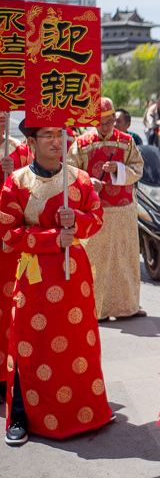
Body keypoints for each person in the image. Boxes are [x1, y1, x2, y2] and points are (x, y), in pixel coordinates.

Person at [3, 121, 111, 446]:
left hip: (73, 277)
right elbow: (8, 232)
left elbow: (97, 216)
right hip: (35, 276)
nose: (55, 141)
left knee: (79, 344)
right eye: (46, 135)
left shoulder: (78, 179)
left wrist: (76, 222)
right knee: (28, 343)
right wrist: (53, 237)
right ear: (31, 141)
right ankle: (21, 416)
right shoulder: (16, 181)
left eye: (60, 134)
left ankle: (88, 410)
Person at [68, 97, 146, 321]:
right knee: (95, 260)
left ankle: (127, 307)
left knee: (125, 258)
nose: (107, 125)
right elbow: (71, 171)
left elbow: (138, 168)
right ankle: (95, 309)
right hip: (94, 210)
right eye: (102, 121)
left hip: (123, 210)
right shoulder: (81, 143)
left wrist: (119, 169)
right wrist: (89, 181)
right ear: (94, 120)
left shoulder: (127, 141)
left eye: (110, 120)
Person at [0, 116, 32, 404]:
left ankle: (7, 377)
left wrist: (15, 171)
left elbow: (33, 188)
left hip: (10, 247)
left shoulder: (20, 150)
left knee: (11, 310)